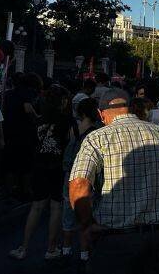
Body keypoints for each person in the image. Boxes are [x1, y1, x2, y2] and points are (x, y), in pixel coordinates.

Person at [68, 88, 159, 274]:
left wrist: (86, 224)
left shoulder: (96, 138)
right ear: (130, 109)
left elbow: (79, 184)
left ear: (102, 114)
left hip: (116, 240)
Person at [9, 85, 74, 261]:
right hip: (58, 167)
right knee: (56, 207)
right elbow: (70, 143)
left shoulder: (39, 119)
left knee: (36, 206)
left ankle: (23, 247)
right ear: (63, 101)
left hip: (39, 165)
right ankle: (51, 248)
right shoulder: (67, 121)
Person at [60, 97, 102, 266]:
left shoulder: (73, 128)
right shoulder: (97, 130)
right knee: (86, 217)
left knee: (68, 214)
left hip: (70, 173)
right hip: (89, 175)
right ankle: (84, 253)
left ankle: (66, 249)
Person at [2, 73, 41, 200]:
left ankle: (9, 191)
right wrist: (37, 118)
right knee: (26, 164)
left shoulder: (7, 94)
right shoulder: (27, 93)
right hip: (24, 133)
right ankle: (25, 190)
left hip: (8, 131)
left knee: (9, 164)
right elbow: (28, 109)